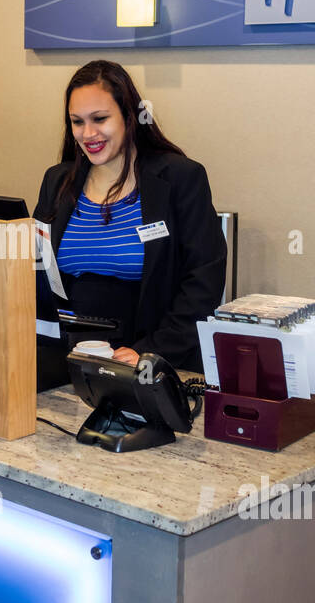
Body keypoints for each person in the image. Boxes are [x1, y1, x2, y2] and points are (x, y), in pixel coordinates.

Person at [33, 60, 225, 372]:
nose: (88, 133)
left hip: (153, 359)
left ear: (129, 116)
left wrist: (150, 352)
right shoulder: (57, 181)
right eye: (77, 122)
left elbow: (203, 281)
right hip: (71, 360)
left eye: (100, 119)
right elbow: (38, 272)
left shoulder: (179, 178)